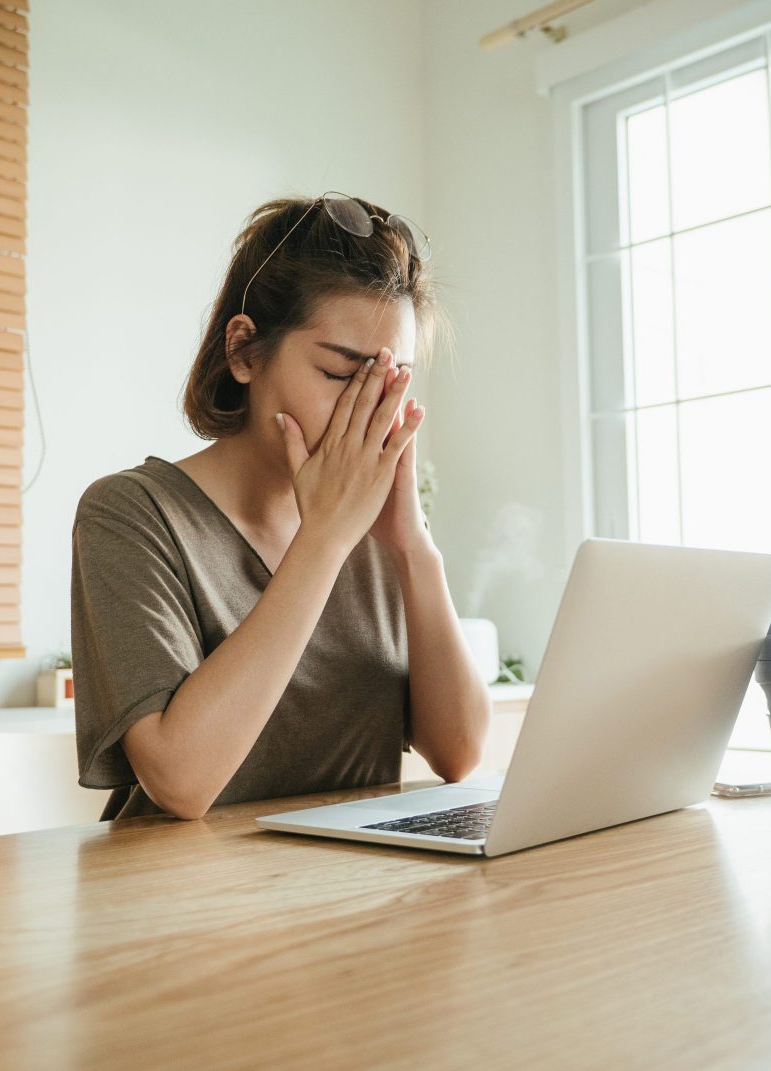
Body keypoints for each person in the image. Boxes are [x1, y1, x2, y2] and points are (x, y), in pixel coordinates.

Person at [70, 193, 491, 820]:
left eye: (391, 381)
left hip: (354, 891)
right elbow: (181, 783)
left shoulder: (379, 531)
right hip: (180, 899)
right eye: (341, 375)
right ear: (243, 352)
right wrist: (322, 540)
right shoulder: (131, 513)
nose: (370, 410)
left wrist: (414, 549)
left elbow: (457, 753)